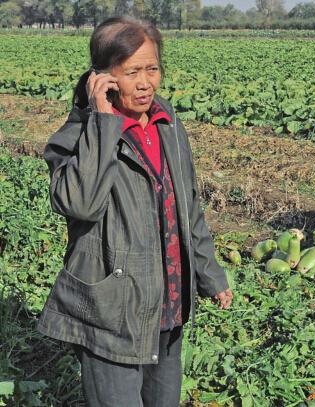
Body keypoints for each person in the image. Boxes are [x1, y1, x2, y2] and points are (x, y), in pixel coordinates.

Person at [37, 16, 233, 407]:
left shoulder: (167, 122)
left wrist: (209, 272)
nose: (145, 82)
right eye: (132, 72)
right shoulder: (77, 135)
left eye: (152, 68)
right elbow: (80, 203)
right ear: (102, 77)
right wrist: (103, 122)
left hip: (168, 300)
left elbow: (187, 204)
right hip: (113, 311)